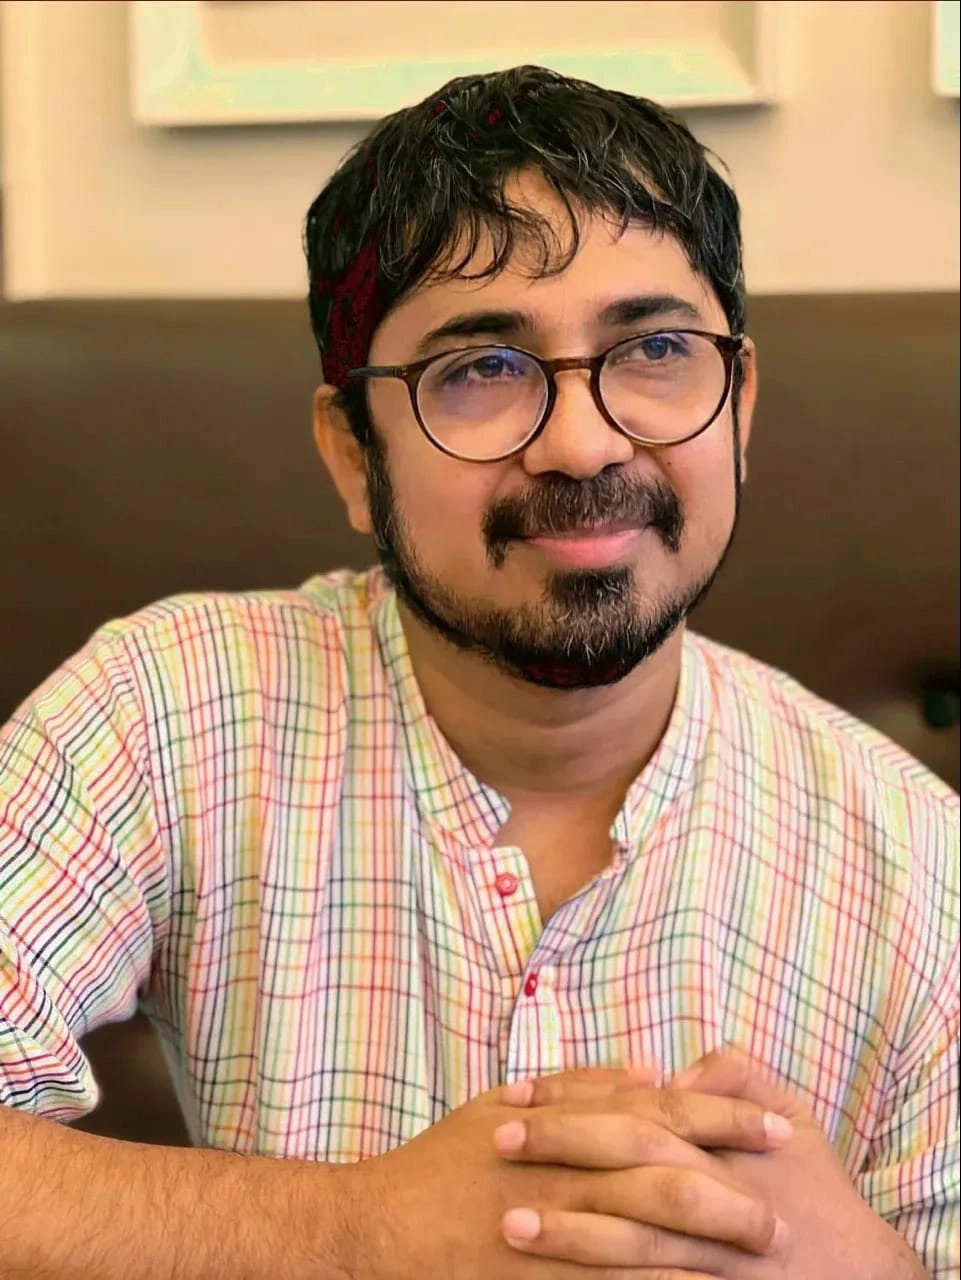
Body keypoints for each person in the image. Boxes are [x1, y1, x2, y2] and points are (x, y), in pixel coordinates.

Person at [0, 64, 956, 1280]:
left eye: (656, 349)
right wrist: (356, 1230)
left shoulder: (918, 860)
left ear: (740, 405)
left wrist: (863, 1267)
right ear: (355, 455)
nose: (583, 443)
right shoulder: (168, 709)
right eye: (482, 370)